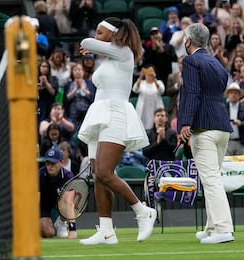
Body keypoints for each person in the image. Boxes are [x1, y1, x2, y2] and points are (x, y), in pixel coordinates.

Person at [77, 17, 156, 245]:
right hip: (99, 117)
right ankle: (106, 231)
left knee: (104, 172)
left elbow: (86, 42)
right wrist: (95, 47)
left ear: (113, 34)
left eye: (100, 32)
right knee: (98, 176)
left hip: (116, 115)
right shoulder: (110, 59)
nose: (96, 36)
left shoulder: (124, 53)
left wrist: (92, 45)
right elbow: (91, 45)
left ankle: (143, 211)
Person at [178, 23, 234, 244]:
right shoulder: (218, 64)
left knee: (211, 180)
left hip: (203, 127)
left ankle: (223, 229)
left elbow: (191, 93)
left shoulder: (191, 61)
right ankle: (211, 227)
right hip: (222, 126)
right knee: (212, 178)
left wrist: (185, 123)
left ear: (189, 41)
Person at [39, 147, 77, 239]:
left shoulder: (68, 176)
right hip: (43, 204)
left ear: (61, 163)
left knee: (70, 200)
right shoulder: (39, 175)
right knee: (48, 233)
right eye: (48, 163)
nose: (50, 166)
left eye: (53, 163)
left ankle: (61, 222)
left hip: (60, 203)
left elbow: (69, 202)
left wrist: (73, 230)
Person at [224, 82, 244, 156]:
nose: (233, 95)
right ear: (228, 95)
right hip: (227, 142)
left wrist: (241, 123)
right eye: (231, 93)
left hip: (242, 142)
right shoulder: (223, 108)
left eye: (236, 93)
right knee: (226, 165)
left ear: (239, 95)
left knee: (243, 165)